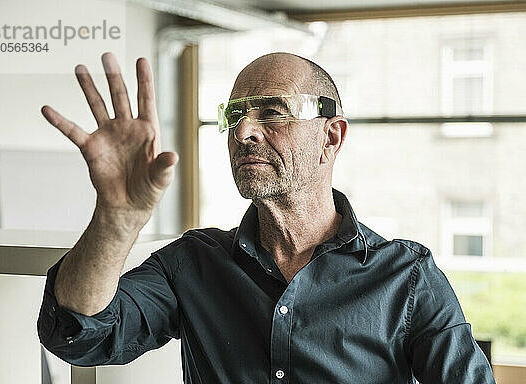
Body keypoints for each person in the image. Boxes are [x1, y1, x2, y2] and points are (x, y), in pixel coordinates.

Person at [37, 51, 496, 384]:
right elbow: (79, 336)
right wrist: (116, 218)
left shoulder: (407, 278)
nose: (243, 131)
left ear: (331, 137)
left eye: (272, 112)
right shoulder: (192, 263)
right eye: (235, 114)